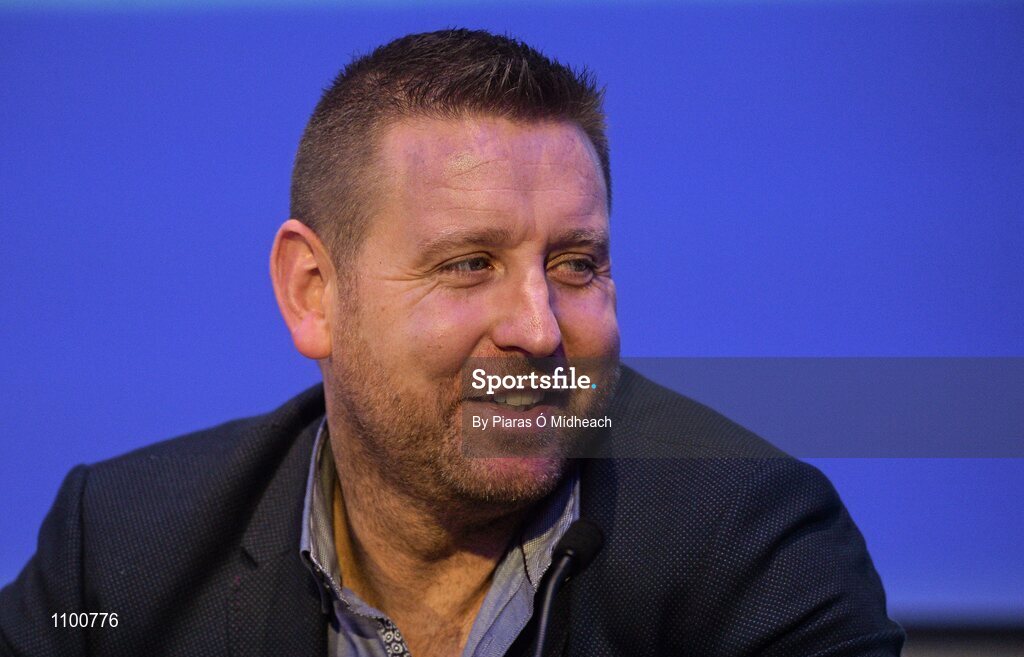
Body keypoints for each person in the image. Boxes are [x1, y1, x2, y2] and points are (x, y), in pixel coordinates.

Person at [0, 29, 904, 657]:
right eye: (470, 264)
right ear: (313, 293)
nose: (540, 329)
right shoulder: (115, 558)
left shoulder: (751, 550)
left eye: (577, 263)